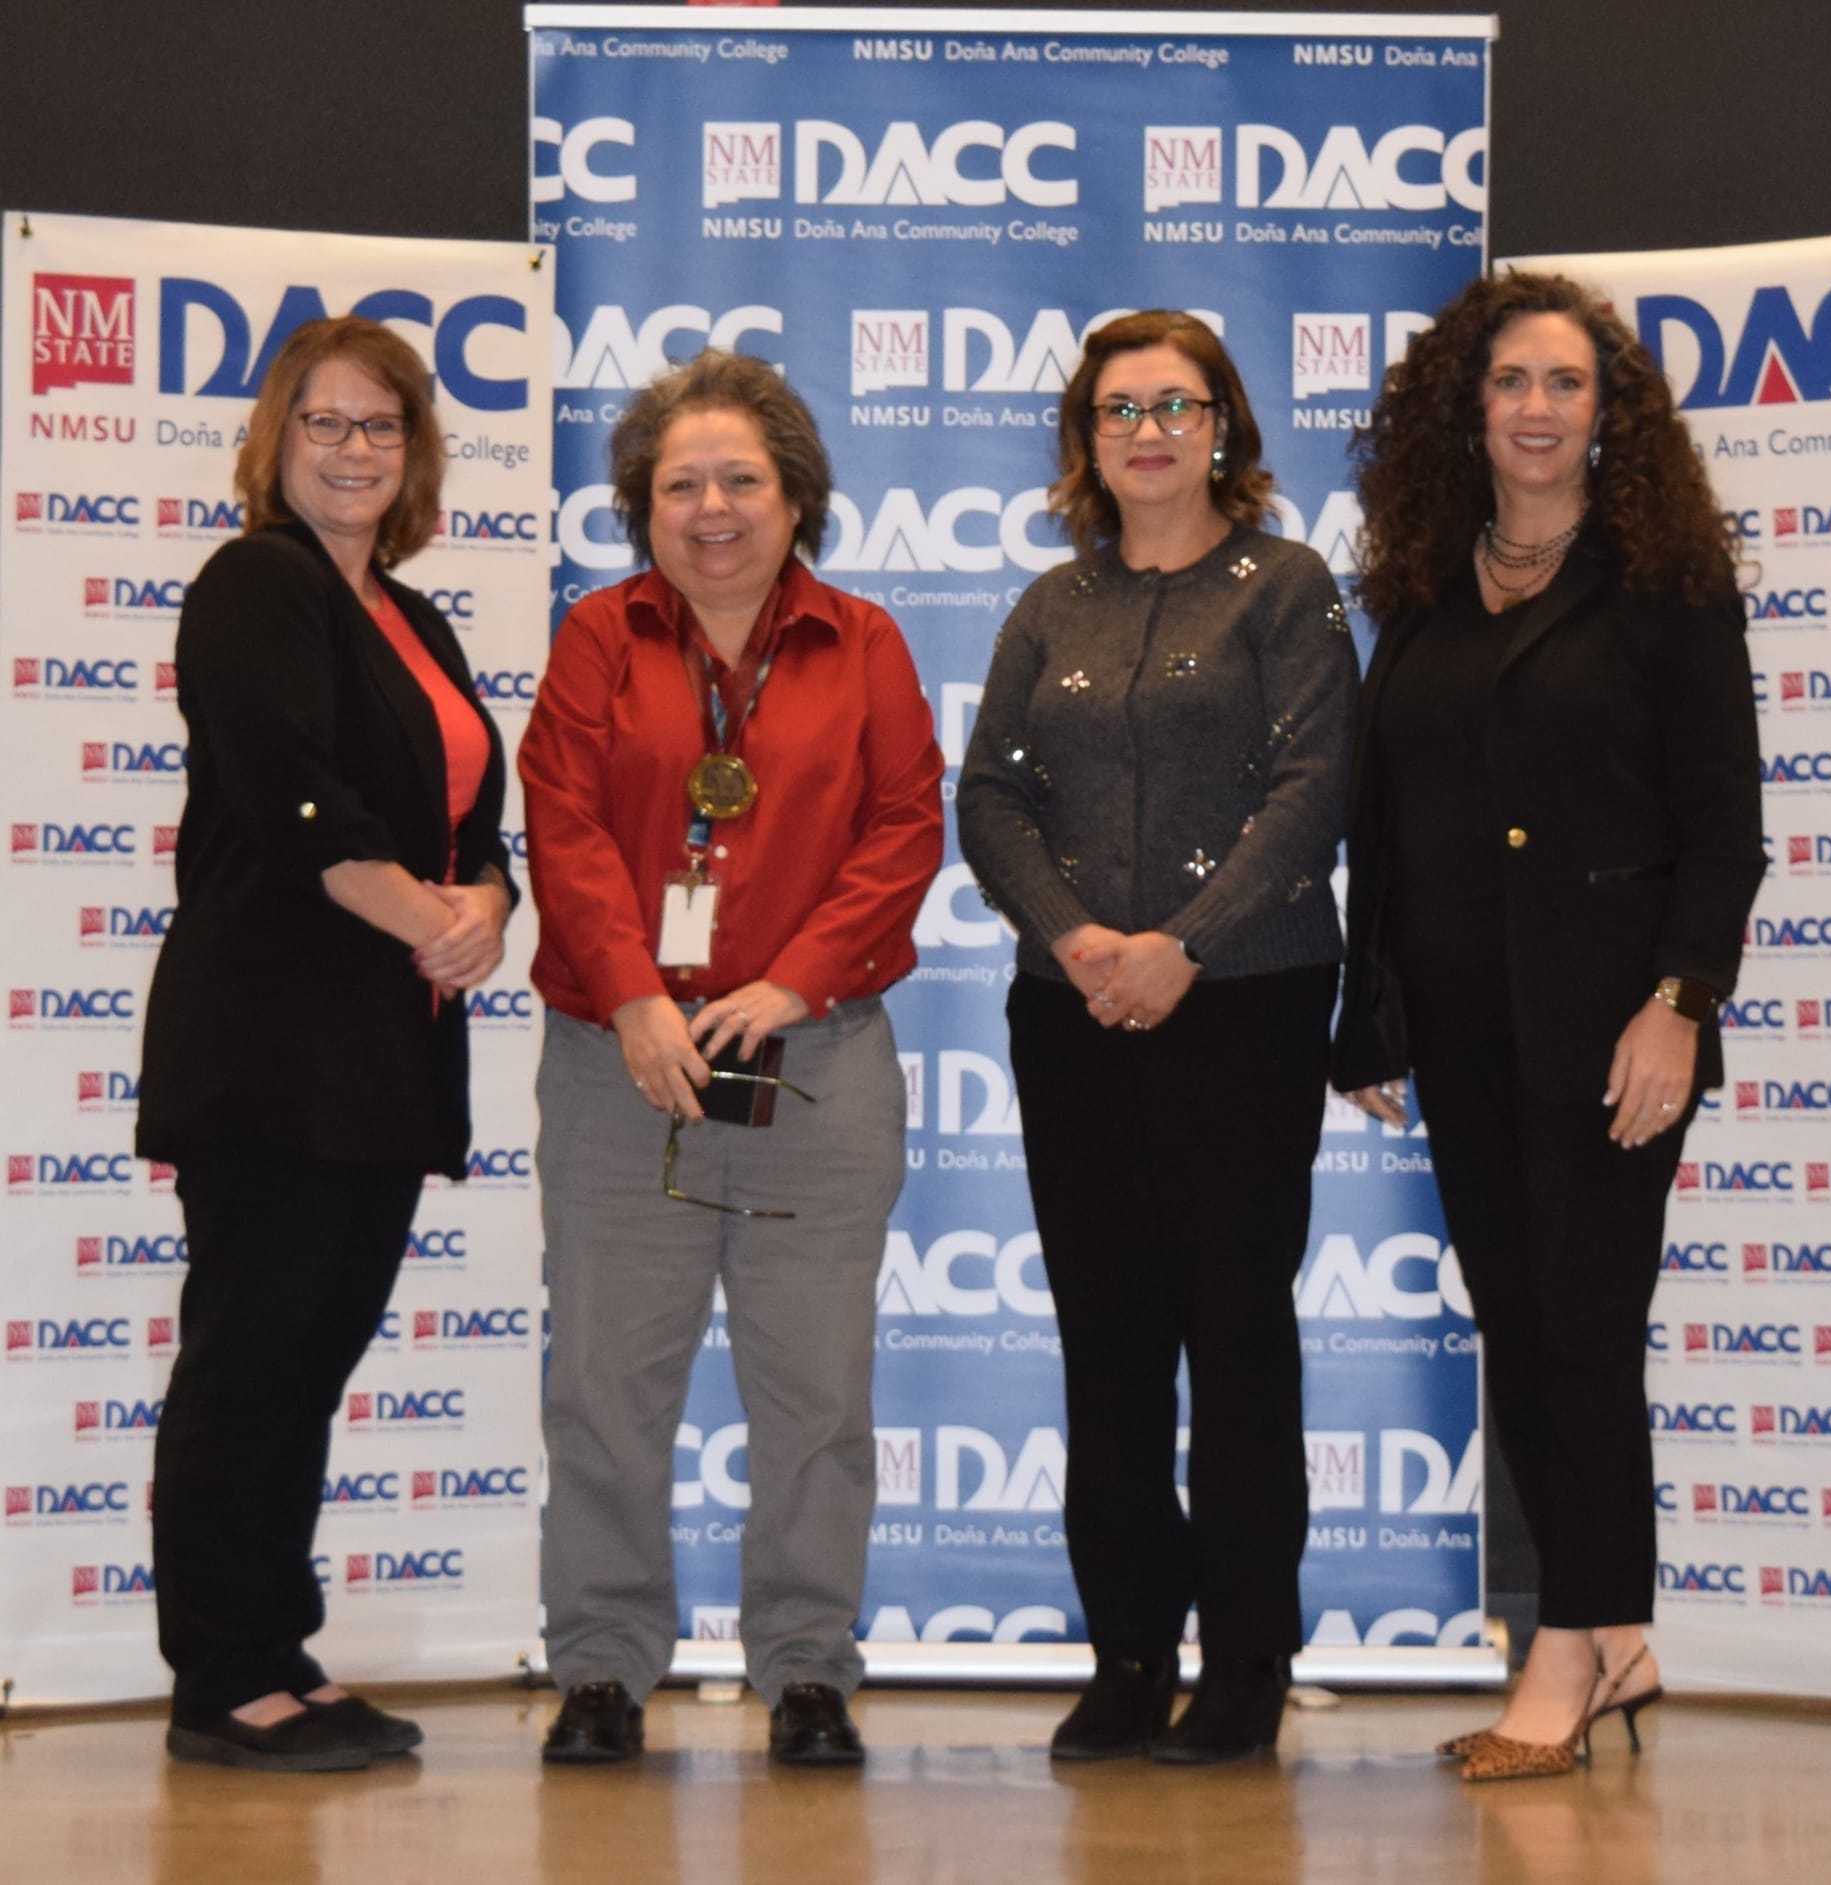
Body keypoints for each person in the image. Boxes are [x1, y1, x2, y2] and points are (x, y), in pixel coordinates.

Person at [1333, 271, 1765, 1781]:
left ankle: (1570, 1647)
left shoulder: (1665, 585)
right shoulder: (1425, 591)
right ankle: (1618, 1636)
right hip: (1459, 1028)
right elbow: (1381, 823)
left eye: (1565, 383)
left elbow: (1727, 829)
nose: (1534, 407)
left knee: (1582, 1331)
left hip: (1612, 1030)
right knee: (1524, 1332)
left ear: (1609, 414)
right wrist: (1365, 1013)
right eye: (1509, 381)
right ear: (1472, 406)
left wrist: (1680, 1005)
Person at [520, 352, 943, 1769]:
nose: (712, 508)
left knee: (816, 1392)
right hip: (614, 1065)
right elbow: (564, 822)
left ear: (797, 497)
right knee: (605, 1385)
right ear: (643, 505)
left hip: (811, 1060)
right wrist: (637, 995)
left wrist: (790, 980)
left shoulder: (866, 640)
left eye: (741, 480)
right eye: (680, 483)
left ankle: (809, 1669)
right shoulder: (597, 638)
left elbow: (906, 830)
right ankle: (599, 1666)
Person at [958, 311, 1358, 1764]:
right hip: (1072, 1017)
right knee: (1106, 1344)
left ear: (1226, 429)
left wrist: (1183, 945)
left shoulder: (1287, 588)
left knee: (1237, 1336)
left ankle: (1245, 1656)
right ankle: (1127, 1652)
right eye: (1121, 408)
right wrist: (1078, 940)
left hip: (1242, 1007)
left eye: (1178, 405)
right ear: (1086, 437)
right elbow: (988, 798)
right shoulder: (1050, 603)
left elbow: (1314, 790)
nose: (1149, 432)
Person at [138, 316, 516, 1771]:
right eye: (325, 424)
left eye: (382, 427)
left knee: (309, 1359)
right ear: (275, 443)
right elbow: (299, 803)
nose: (355, 450)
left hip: (383, 1052)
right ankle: (220, 1678)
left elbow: (474, 821)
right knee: (250, 1357)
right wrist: (434, 913)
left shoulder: (415, 619)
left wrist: (487, 896)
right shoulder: (256, 584)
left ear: (415, 454)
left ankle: (275, 1653)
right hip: (272, 1045)